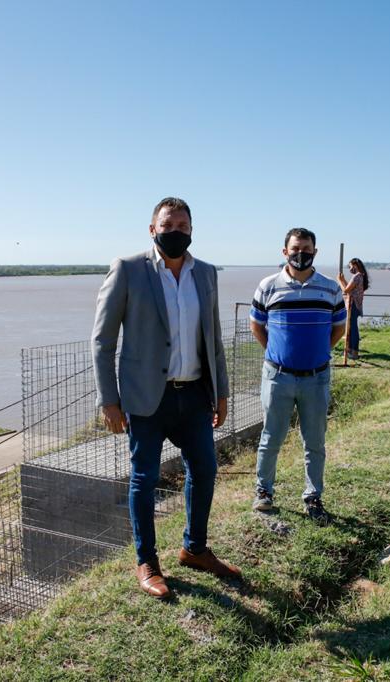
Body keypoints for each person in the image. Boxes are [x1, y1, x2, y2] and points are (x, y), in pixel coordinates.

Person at [92, 196, 241, 600]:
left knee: (205, 470)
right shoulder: (128, 270)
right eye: (167, 225)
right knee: (144, 479)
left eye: (182, 227)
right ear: (152, 228)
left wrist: (221, 391)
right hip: (145, 400)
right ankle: (148, 563)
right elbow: (103, 341)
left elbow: (213, 338)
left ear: (192, 230)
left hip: (193, 394)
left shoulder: (205, 274)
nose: (175, 233)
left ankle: (194, 548)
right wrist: (109, 400)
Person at [250, 228, 347, 525]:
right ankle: (264, 491)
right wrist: (280, 354)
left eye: (306, 248)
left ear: (315, 252)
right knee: (271, 437)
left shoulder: (330, 288)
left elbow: (339, 328)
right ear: (284, 252)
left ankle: (312, 496)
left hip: (316, 378)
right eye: (295, 248)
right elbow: (258, 326)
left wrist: (318, 353)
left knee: (315, 441)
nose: (300, 253)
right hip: (278, 377)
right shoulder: (268, 287)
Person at [337, 258, 370, 359]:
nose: (350, 268)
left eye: (350, 266)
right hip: (355, 304)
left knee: (352, 329)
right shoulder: (360, 276)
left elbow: (346, 290)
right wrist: (343, 280)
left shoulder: (357, 276)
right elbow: (350, 288)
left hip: (353, 304)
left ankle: (354, 351)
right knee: (351, 328)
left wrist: (339, 281)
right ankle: (351, 350)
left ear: (355, 265)